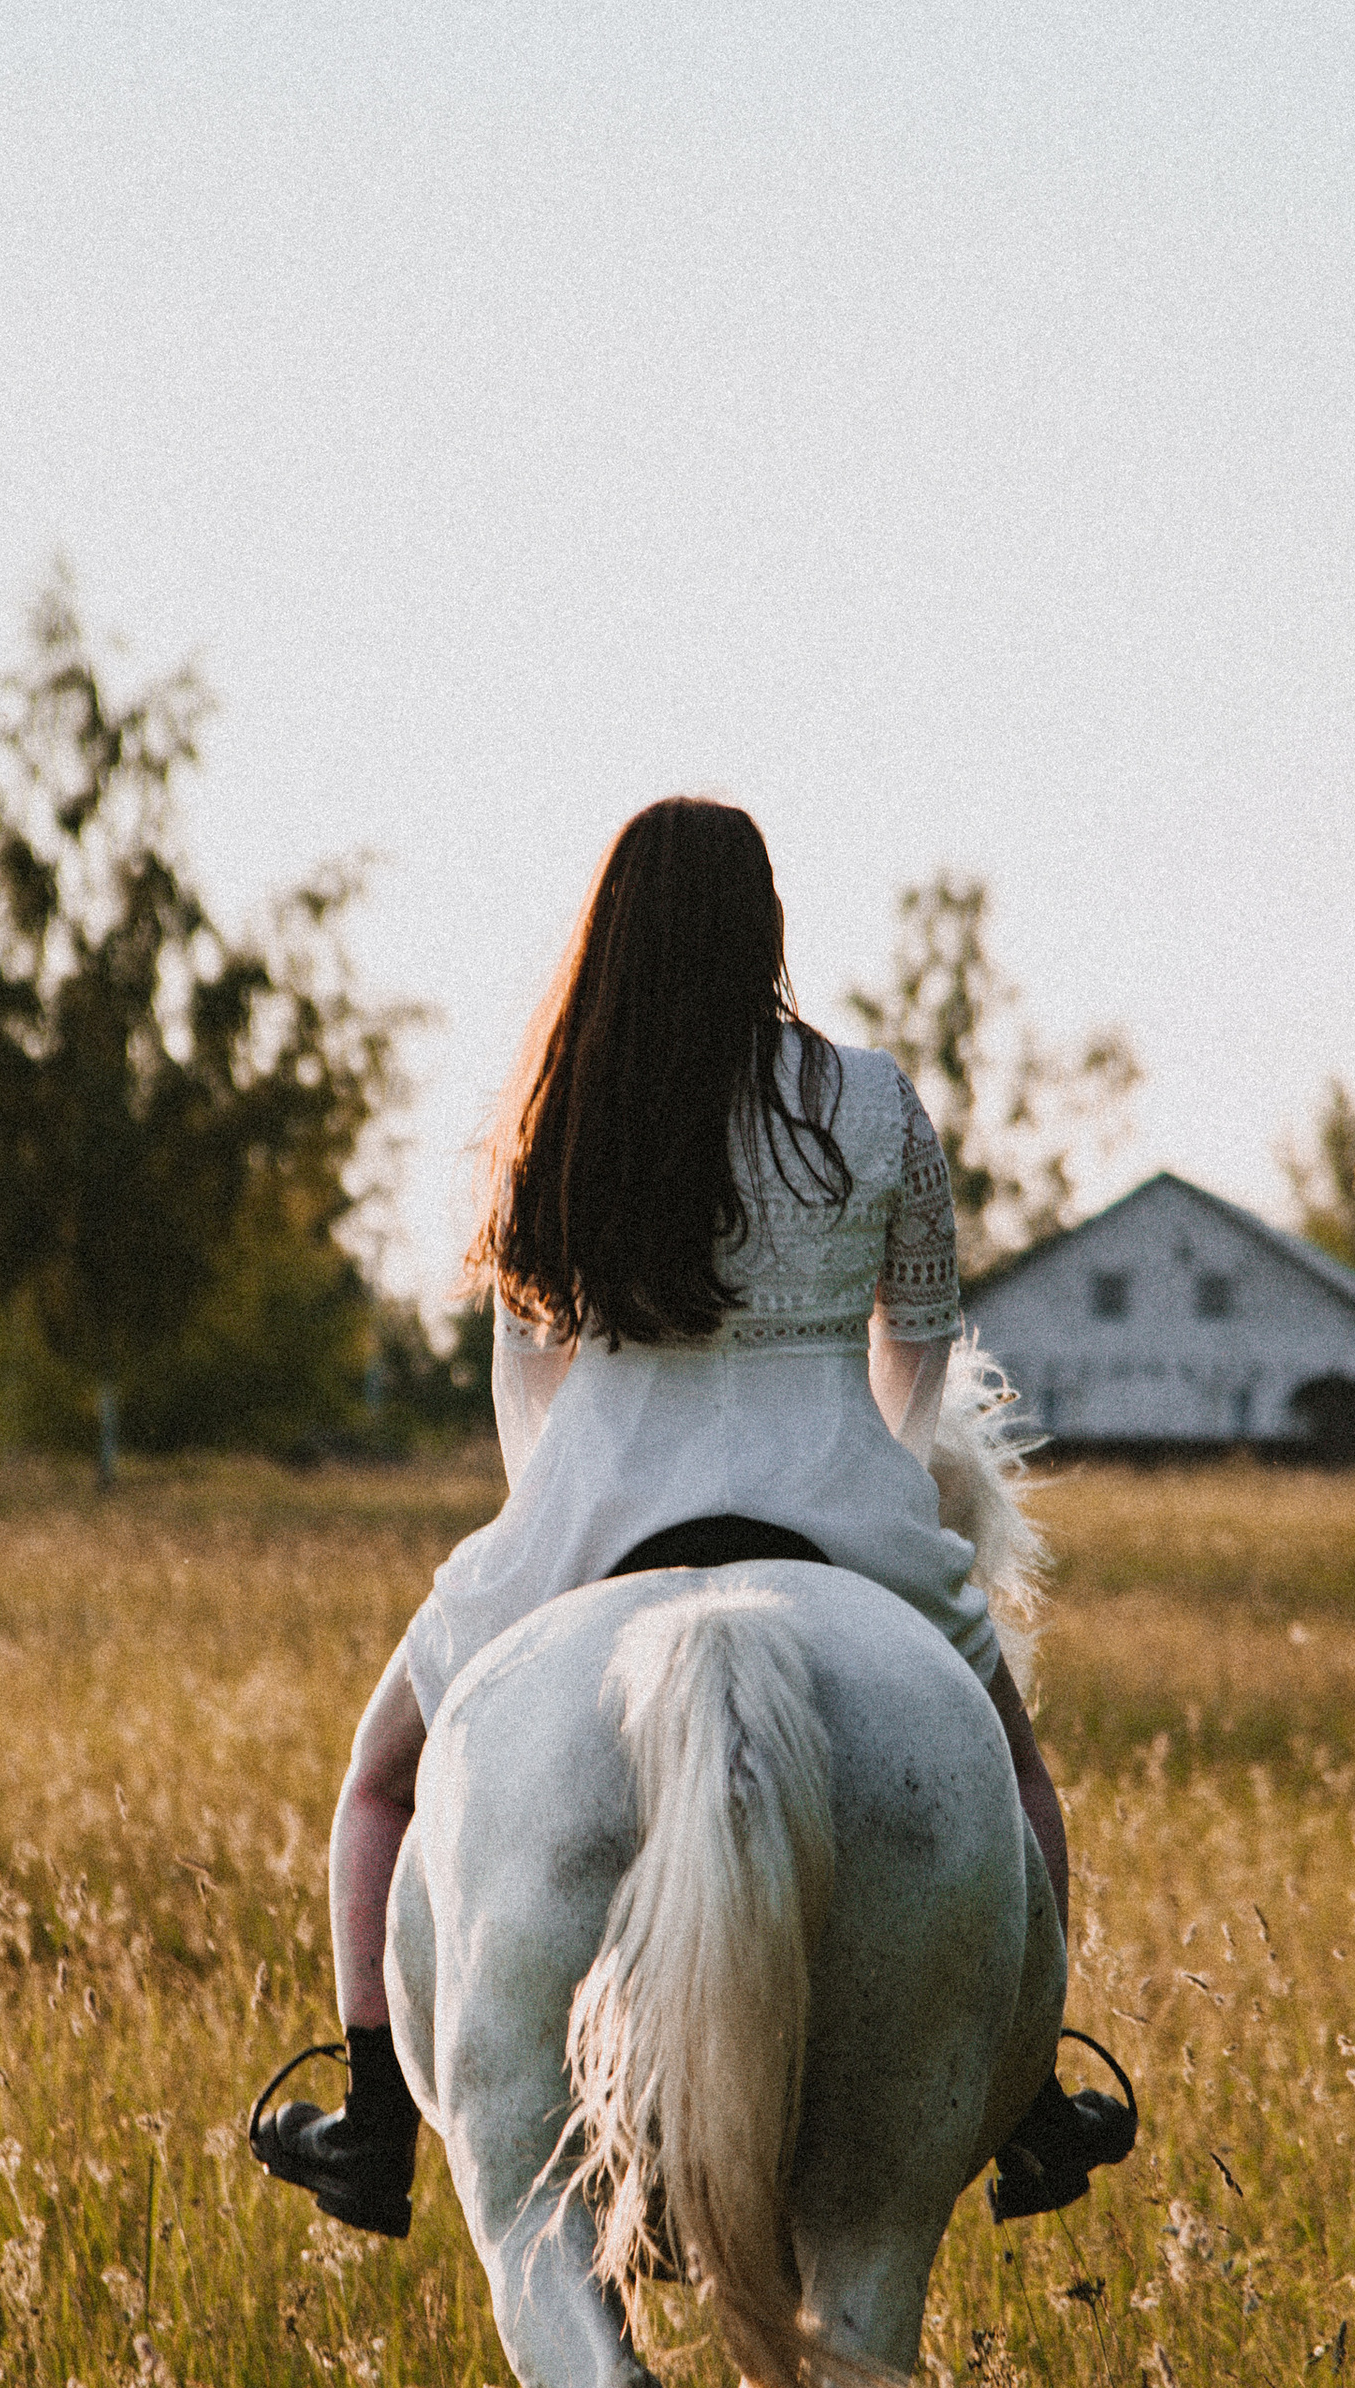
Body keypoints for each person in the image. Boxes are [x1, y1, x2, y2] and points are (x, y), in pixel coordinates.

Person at [248, 797, 1133, 2240]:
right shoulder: (876, 1101)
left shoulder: (564, 1106)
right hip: (844, 1519)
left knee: (378, 1787)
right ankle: (1031, 2102)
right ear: (764, 925)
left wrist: (562, 1515)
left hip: (595, 1517)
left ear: (613, 929)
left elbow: (525, 1374)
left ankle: (372, 2123)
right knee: (1015, 1782)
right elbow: (919, 1343)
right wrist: (875, 1476)